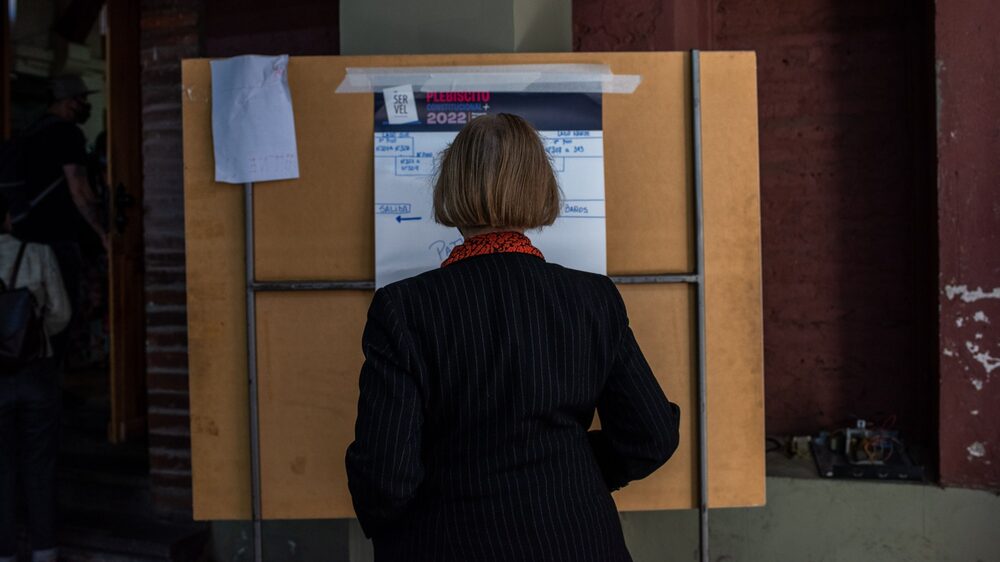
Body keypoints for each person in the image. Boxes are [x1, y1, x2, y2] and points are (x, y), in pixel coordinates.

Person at [346, 114, 681, 561]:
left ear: (451, 187)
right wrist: (567, 473)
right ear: (540, 188)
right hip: (581, 542)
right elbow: (652, 435)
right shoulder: (593, 299)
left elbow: (386, 476)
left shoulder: (404, 309)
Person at [13, 74, 107, 362]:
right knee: (63, 313)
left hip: (25, 240)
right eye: (83, 99)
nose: (86, 105)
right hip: (58, 238)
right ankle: (53, 387)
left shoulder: (31, 132)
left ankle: (37, 383)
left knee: (34, 314)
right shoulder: (67, 134)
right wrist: (103, 232)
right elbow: (79, 188)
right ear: (69, 101)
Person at [0, 194, 72, 562]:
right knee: (40, 464)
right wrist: (33, 337)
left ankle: (5, 553)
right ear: (8, 217)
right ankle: (45, 551)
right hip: (35, 370)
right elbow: (61, 314)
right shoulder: (37, 253)